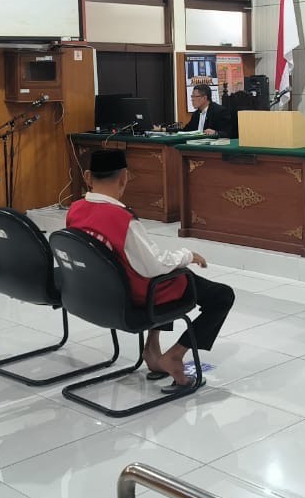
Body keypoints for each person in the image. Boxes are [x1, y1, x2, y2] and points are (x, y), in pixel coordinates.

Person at [65, 148, 235, 387]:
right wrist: (187, 255)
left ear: (87, 176)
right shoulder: (122, 219)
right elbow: (155, 265)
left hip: (96, 295)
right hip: (133, 298)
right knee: (220, 295)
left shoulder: (75, 210)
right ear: (124, 177)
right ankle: (175, 355)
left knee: (161, 273)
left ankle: (152, 349)